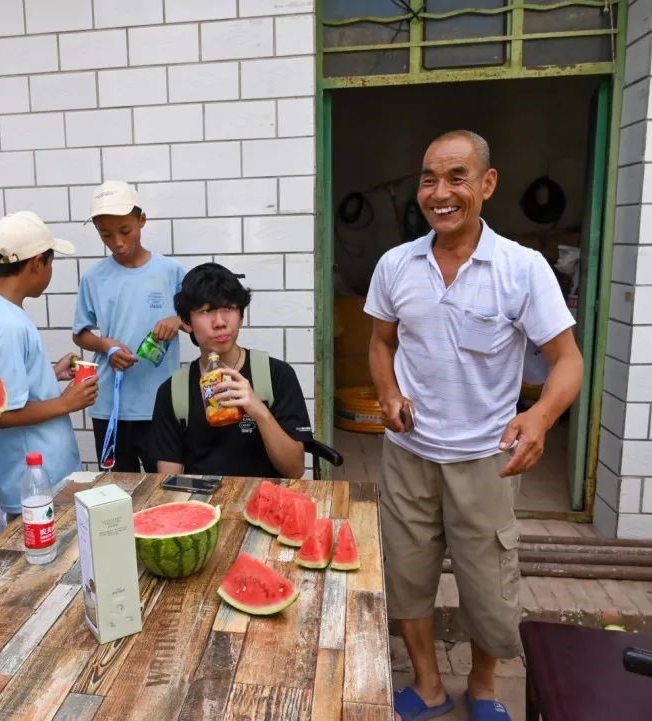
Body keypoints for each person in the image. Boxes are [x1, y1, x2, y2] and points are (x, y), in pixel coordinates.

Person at [365, 130, 583, 721]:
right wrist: (388, 393)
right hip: (409, 453)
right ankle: (428, 685)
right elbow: (381, 343)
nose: (440, 193)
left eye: (456, 178)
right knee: (406, 574)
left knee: (489, 586)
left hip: (487, 458)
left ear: (487, 184)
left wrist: (540, 417)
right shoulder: (396, 264)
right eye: (429, 180)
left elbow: (567, 360)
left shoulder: (522, 268)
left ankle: (483, 688)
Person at [0, 211, 98, 518]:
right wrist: (67, 402)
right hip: (36, 488)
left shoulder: (0, 312)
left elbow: (11, 387)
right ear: (36, 263)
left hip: (44, 481)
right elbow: (3, 414)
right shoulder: (7, 325)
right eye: (50, 261)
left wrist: (49, 374)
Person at [150, 262, 313, 479]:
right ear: (187, 322)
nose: (220, 322)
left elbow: (295, 470)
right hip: (200, 496)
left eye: (229, 308)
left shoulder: (277, 375)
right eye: (206, 311)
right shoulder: (171, 392)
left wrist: (259, 411)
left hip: (266, 495)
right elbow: (170, 481)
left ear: (241, 316)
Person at [72, 180, 185, 472]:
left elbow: (197, 322)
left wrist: (177, 320)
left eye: (125, 231)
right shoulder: (94, 277)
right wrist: (105, 345)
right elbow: (80, 333)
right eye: (106, 235)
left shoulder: (170, 271)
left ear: (141, 220)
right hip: (111, 406)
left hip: (161, 405)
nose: (118, 242)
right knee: (115, 491)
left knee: (166, 489)